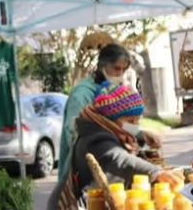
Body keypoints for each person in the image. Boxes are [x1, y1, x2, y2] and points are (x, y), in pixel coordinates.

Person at [42, 83, 182, 210]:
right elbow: (119, 158)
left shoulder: (103, 126)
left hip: (89, 207)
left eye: (137, 121)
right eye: (131, 121)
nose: (134, 125)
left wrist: (140, 134)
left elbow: (124, 129)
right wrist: (156, 172)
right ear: (111, 119)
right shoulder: (96, 138)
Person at [59, 44, 162, 179]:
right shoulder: (82, 94)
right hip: (84, 172)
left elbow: (115, 123)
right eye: (116, 69)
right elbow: (73, 131)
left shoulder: (112, 89)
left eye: (123, 70)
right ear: (102, 65)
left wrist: (139, 133)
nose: (120, 74)